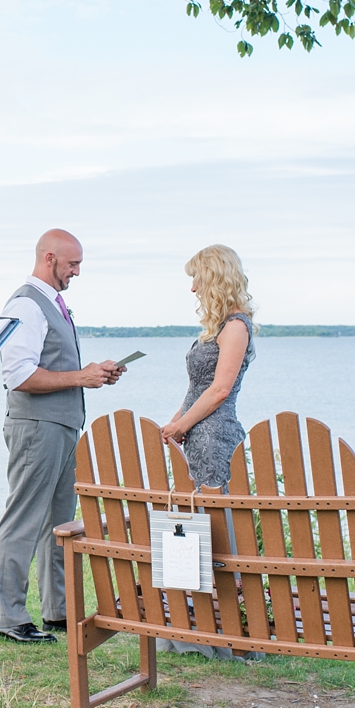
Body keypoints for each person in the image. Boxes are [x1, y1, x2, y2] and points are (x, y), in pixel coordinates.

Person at [0, 229, 125, 643]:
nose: (77, 272)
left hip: (62, 426)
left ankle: (58, 611)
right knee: (24, 520)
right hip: (36, 428)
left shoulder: (54, 303)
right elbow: (18, 375)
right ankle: (10, 618)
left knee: (60, 523)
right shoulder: (26, 305)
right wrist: (81, 377)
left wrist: (92, 374)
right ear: (50, 258)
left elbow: (54, 366)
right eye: (73, 264)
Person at [158, 244, 257, 660]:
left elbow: (219, 390)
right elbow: (197, 389)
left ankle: (227, 633)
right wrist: (175, 420)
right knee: (192, 529)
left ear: (216, 277)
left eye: (197, 278)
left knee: (218, 531)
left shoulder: (236, 326)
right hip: (196, 432)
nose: (194, 287)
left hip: (215, 437)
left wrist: (184, 424)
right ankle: (192, 628)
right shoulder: (213, 328)